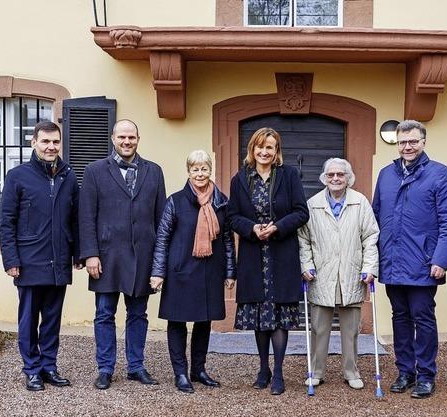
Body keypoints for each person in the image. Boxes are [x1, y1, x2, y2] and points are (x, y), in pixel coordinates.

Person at [373, 119, 447, 399]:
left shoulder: (439, 173)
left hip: (423, 263)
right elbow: (374, 219)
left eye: (412, 141)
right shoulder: (386, 175)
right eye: (402, 142)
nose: (407, 146)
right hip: (392, 261)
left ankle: (426, 375)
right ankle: (405, 371)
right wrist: (374, 259)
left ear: (423, 142)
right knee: (400, 317)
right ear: (396, 144)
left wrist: (440, 260)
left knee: (423, 318)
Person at [79, 119, 166, 390]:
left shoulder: (154, 171)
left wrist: (158, 262)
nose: (127, 142)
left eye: (132, 137)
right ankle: (105, 368)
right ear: (113, 138)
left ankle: (136, 366)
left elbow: (161, 217)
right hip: (106, 256)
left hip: (142, 255)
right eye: (122, 137)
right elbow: (86, 216)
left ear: (138, 139)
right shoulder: (94, 171)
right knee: (104, 313)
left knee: (138, 314)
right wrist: (90, 254)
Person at [0, 120, 80, 391]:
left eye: (55, 142)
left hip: (59, 261)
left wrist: (78, 254)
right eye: (45, 141)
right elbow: (6, 222)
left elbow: (75, 219)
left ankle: (48, 366)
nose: (51, 146)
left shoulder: (68, 176)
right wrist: (11, 260)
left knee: (53, 319)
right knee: (29, 319)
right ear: (34, 143)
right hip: (29, 261)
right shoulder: (17, 176)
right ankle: (31, 369)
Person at [228, 127, 309, 395]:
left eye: (270, 147)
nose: (264, 151)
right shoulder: (240, 179)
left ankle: (280, 373)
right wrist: (252, 228)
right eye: (260, 146)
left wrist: (277, 227)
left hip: (281, 254)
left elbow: (301, 212)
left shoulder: (288, 176)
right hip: (254, 256)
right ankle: (263, 368)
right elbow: (233, 216)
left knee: (278, 318)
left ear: (277, 152)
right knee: (259, 317)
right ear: (253, 149)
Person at [149, 150, 236, 393]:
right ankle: (180, 373)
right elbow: (162, 239)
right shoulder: (175, 201)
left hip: (210, 271)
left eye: (204, 168)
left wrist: (230, 272)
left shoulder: (222, 202)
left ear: (211, 171)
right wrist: (158, 273)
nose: (200, 173)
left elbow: (228, 239)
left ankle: (198, 370)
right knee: (177, 322)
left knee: (203, 321)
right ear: (188, 172)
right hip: (179, 272)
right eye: (195, 169)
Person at [298, 158, 379, 390]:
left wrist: (369, 267)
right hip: (321, 274)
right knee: (319, 328)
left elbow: (371, 237)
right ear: (324, 177)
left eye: (340, 175)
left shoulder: (360, 202)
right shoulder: (312, 204)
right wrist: (306, 264)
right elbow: (303, 239)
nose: (335, 178)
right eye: (331, 174)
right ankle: (316, 371)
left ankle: (351, 371)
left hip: (352, 273)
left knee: (351, 330)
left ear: (348, 177)